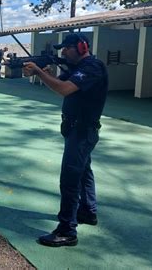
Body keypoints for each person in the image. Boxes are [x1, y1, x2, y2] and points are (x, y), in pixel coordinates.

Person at [22, 33, 108, 247]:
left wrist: (40, 73)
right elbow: (65, 86)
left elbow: (64, 89)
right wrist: (49, 74)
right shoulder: (80, 69)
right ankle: (88, 212)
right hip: (76, 130)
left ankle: (67, 230)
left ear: (82, 47)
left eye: (68, 48)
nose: (64, 52)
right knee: (84, 172)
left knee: (69, 180)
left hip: (82, 132)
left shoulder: (92, 67)